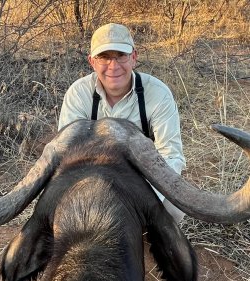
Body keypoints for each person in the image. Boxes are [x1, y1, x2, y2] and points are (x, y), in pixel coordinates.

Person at [58, 23, 186, 223]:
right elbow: (66, 154)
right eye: (104, 57)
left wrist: (142, 198)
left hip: (142, 180)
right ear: (92, 61)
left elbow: (171, 155)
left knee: (175, 210)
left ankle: (149, 241)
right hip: (91, 179)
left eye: (121, 56)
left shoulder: (158, 93)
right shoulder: (79, 93)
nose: (113, 65)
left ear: (133, 57)